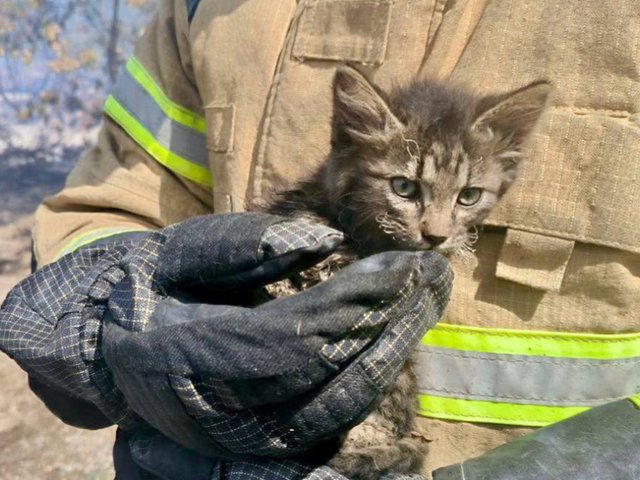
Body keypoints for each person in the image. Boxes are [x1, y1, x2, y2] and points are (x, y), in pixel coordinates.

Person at [2, 0, 640, 478]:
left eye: (464, 201)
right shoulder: (217, 9)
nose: (439, 229)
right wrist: (110, 322)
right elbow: (106, 209)